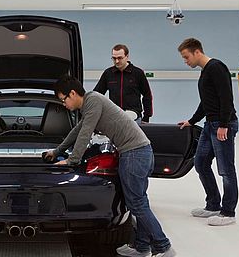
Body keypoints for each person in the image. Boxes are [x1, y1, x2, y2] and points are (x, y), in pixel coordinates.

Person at [44, 75, 175, 257]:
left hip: (134, 154)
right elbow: (78, 131)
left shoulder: (93, 101)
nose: (64, 104)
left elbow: (86, 133)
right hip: (140, 152)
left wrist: (72, 160)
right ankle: (142, 246)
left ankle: (163, 246)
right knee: (139, 202)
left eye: (63, 100)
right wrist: (56, 151)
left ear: (72, 93)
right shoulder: (91, 103)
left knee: (137, 204)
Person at [177, 38, 239, 226]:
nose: (185, 61)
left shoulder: (216, 67)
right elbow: (206, 102)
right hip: (210, 124)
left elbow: (226, 97)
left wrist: (224, 124)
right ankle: (213, 204)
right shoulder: (205, 72)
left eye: (186, 57)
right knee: (200, 163)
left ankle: (228, 213)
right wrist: (192, 121)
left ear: (197, 52)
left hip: (222, 125)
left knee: (226, 170)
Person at [93, 44, 153, 123]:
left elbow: (147, 95)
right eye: (114, 58)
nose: (117, 61)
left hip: (134, 117)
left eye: (120, 58)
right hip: (114, 117)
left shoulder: (137, 73)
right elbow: (97, 94)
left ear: (127, 57)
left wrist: (146, 117)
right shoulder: (108, 73)